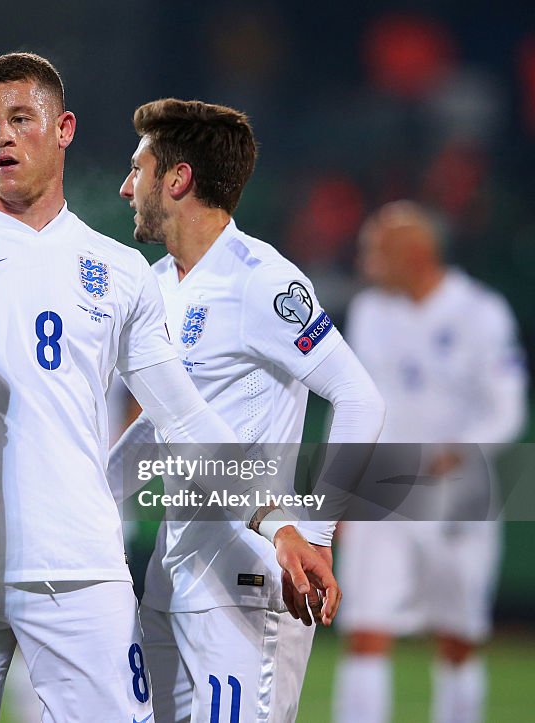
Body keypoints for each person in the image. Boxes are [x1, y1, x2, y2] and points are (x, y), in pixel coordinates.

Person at [0, 52, 339, 722]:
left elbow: (186, 418)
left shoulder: (118, 270)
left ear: (63, 128)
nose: (0, 135)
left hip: (79, 570)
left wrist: (279, 522)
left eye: (19, 118)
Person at [110, 98, 386, 722]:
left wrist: (313, 534)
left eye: (138, 170)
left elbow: (359, 398)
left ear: (177, 180)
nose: (126, 187)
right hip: (171, 571)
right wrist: (95, 501)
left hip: (251, 578)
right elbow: (165, 422)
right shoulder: (156, 284)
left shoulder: (262, 280)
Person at [333, 201, 527, 723]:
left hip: (457, 493)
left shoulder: (481, 312)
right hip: (384, 487)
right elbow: (361, 403)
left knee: (457, 635)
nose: (367, 257)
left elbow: (507, 407)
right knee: (365, 626)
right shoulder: (371, 312)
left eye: (378, 247)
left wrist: (461, 450)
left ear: (417, 253)